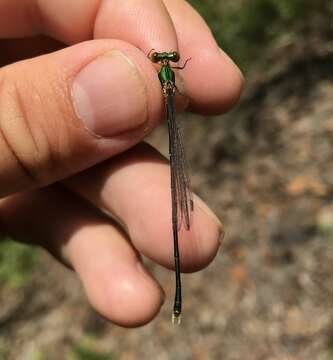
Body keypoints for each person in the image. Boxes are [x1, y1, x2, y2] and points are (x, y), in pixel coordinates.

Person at [0, 0, 243, 327]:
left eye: (166, 59)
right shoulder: (167, 73)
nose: (165, 60)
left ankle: (178, 297)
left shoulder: (167, 76)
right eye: (162, 58)